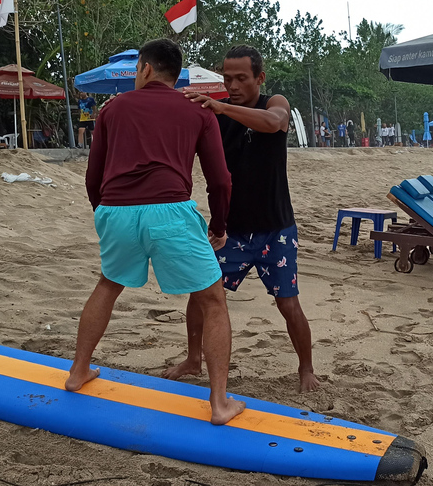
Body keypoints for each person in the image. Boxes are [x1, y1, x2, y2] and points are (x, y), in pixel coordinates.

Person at [66, 38, 245, 425]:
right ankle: (219, 404)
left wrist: (106, 212)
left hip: (116, 211)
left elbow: (92, 176)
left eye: (135, 71)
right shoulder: (198, 112)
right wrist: (218, 226)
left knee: (108, 284)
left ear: (145, 69)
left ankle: (78, 372)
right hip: (170, 212)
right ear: (175, 74)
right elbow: (221, 180)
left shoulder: (111, 111)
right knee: (212, 301)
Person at [178, 45, 320, 393]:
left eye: (242, 78)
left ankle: (306, 368)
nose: (234, 85)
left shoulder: (275, 103)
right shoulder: (217, 117)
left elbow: (274, 124)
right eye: (227, 79)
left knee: (288, 304)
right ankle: (194, 359)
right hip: (233, 232)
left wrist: (221, 105)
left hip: (276, 230)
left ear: (260, 77)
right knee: (201, 295)